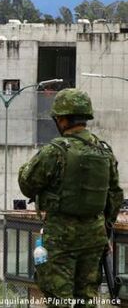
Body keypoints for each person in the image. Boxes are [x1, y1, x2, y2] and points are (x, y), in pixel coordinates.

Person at [18, 88, 124, 307]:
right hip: (95, 236)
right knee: (87, 297)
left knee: (59, 298)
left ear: (63, 120)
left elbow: (27, 185)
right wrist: (105, 228)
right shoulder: (104, 151)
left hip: (61, 237)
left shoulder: (55, 151)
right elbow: (115, 195)